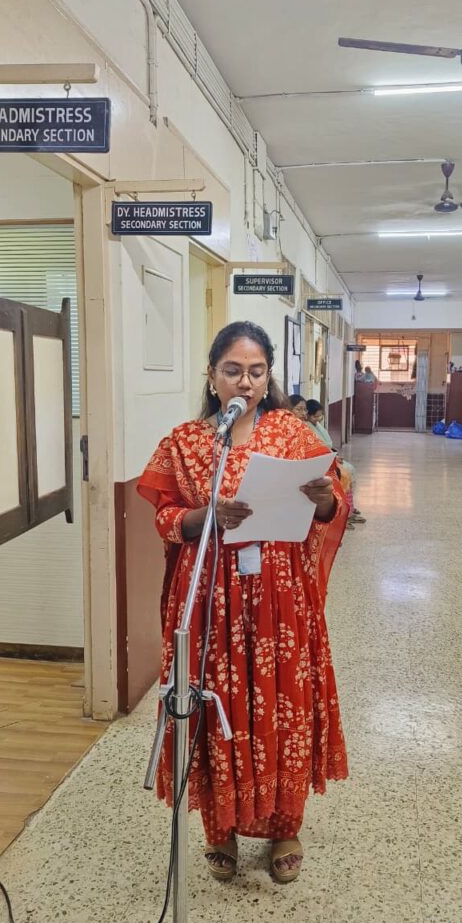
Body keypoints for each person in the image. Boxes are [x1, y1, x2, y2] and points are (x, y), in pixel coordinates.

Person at [137, 322, 349, 884]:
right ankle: (221, 828)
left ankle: (285, 826)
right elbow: (164, 516)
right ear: (212, 376)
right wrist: (203, 516)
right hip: (210, 596)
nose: (245, 382)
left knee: (282, 703)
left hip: (280, 594)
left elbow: (334, 507)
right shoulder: (185, 442)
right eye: (233, 370)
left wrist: (324, 500)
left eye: (256, 372)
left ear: (269, 376)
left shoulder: (293, 433)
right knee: (216, 705)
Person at [305, 399, 366, 527]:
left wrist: (335, 455)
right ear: (308, 415)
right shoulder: (306, 427)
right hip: (320, 461)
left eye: (320, 416)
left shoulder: (317, 425)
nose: (318, 419)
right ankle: (341, 514)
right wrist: (332, 458)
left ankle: (349, 509)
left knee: (350, 470)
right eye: (315, 416)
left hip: (329, 457)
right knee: (343, 474)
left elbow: (326, 445)